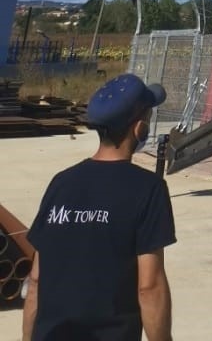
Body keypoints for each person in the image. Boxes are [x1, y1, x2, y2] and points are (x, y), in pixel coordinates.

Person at [22, 74, 176, 341]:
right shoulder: (148, 189)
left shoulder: (61, 183)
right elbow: (149, 288)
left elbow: (36, 280)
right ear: (139, 129)